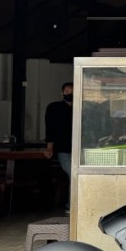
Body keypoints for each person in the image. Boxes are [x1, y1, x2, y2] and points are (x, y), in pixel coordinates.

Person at [45, 82, 74, 211]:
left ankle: (72, 205)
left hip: (80, 149)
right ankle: (71, 206)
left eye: (72, 91)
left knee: (76, 175)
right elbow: (50, 129)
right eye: (67, 91)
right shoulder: (54, 108)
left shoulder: (83, 108)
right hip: (63, 149)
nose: (69, 94)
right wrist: (49, 147)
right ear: (62, 93)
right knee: (73, 174)